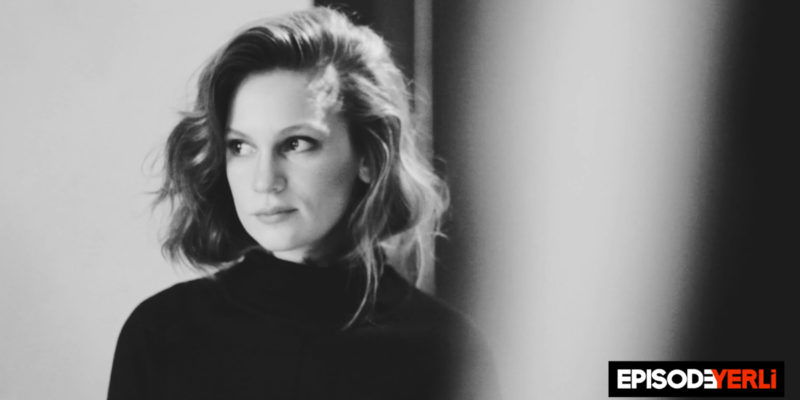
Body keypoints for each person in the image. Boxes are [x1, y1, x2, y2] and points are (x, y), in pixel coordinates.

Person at [108, 7, 496, 400]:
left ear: (368, 154)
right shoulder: (162, 334)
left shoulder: (447, 351)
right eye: (240, 147)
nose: (264, 181)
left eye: (296, 143)